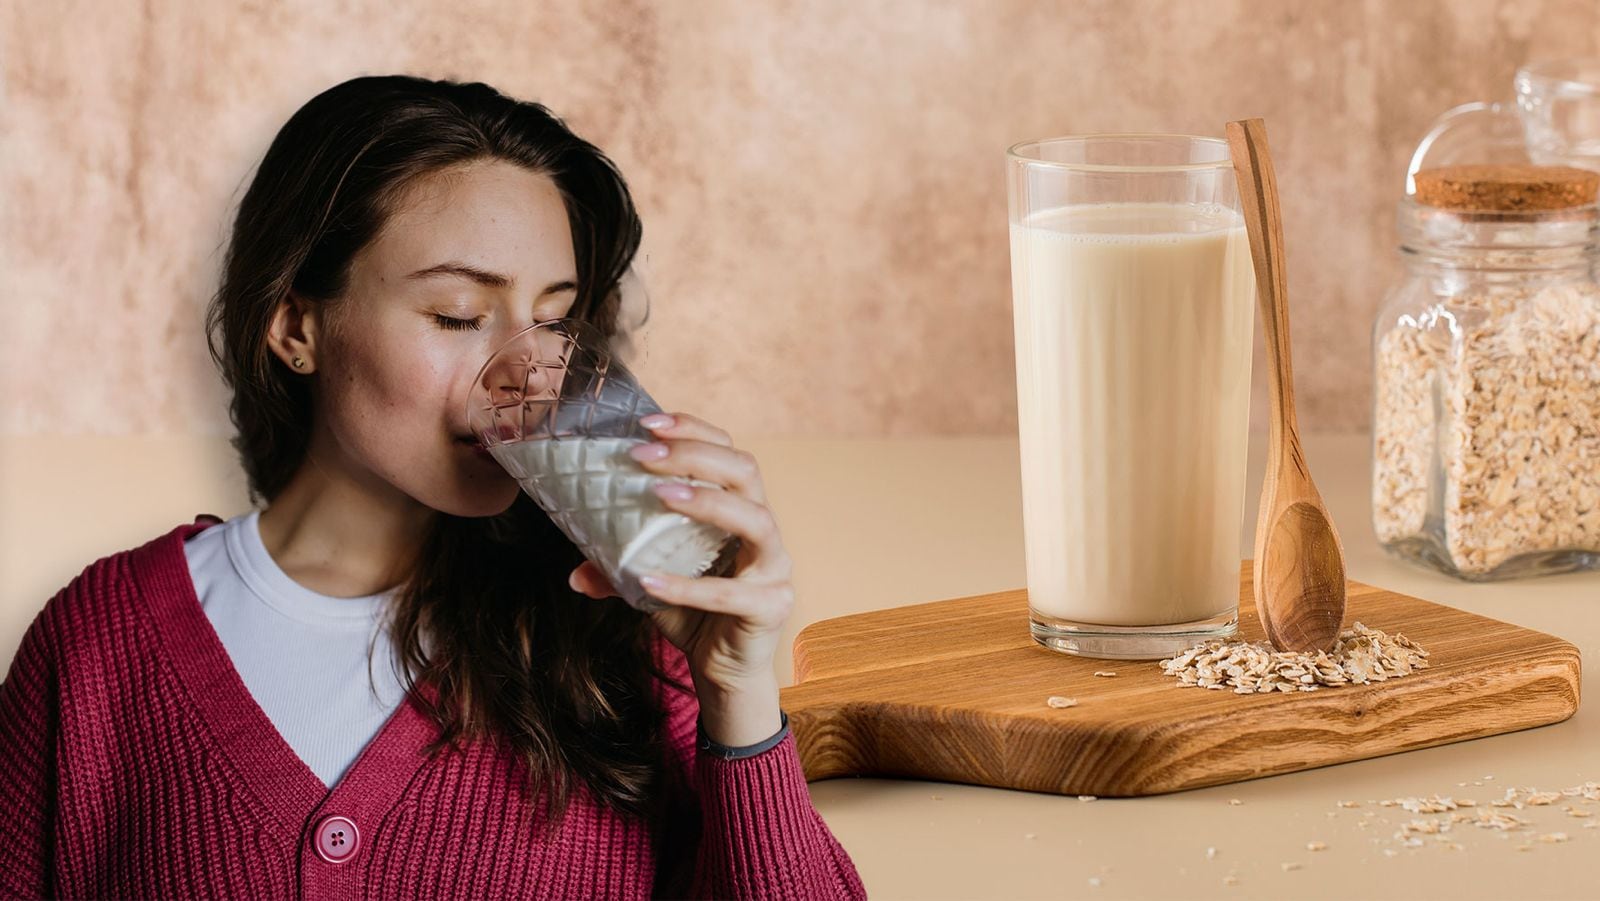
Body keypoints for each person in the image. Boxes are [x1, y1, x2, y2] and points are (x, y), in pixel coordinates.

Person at [0, 74, 867, 900]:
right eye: (457, 315)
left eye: (554, 320)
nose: (520, 377)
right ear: (296, 325)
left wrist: (738, 693)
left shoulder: (630, 643)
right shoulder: (96, 648)